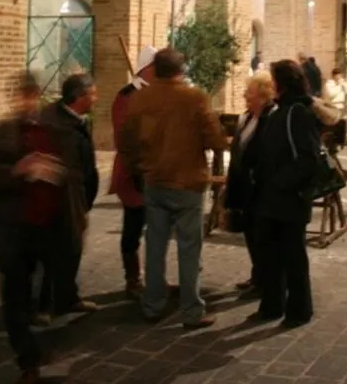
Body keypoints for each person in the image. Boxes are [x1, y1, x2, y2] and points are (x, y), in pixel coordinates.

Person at [0, 74, 93, 384]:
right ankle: (28, 359)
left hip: (51, 225)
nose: (28, 102)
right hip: (16, 228)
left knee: (52, 283)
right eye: (22, 96)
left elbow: (76, 173)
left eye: (32, 96)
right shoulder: (1, 135)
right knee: (14, 295)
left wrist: (60, 176)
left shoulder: (55, 132)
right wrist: (18, 171)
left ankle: (44, 331)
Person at [118, 48, 227, 329]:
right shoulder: (194, 97)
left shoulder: (141, 97)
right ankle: (191, 310)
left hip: (154, 181)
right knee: (189, 248)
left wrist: (138, 167)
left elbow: (127, 140)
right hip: (188, 182)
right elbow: (215, 138)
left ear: (156, 69)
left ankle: (152, 305)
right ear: (182, 69)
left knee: (154, 246)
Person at [242, 60, 319, 327]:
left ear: (282, 83)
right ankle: (272, 305)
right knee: (270, 254)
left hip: (288, 197)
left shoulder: (298, 112)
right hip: (272, 196)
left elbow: (307, 157)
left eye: (274, 79)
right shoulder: (281, 110)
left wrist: (280, 183)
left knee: (293, 256)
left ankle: (299, 309)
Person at [35, 74, 101, 322]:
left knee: (72, 249)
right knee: (52, 253)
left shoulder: (78, 120)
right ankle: (43, 306)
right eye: (93, 94)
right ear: (80, 97)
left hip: (77, 197)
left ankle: (67, 297)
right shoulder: (55, 123)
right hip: (61, 199)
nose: (96, 98)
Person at [109, 46, 157, 298]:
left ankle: (154, 278)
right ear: (146, 69)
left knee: (157, 230)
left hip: (156, 173)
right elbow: (124, 137)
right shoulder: (126, 97)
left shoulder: (155, 94)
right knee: (133, 227)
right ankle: (133, 279)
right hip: (133, 173)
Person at [224, 73, 275, 300]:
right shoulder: (247, 118)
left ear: (263, 96)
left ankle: (265, 280)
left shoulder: (269, 119)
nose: (245, 95)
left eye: (250, 92)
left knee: (261, 236)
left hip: (259, 189)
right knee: (249, 233)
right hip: (243, 186)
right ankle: (257, 275)